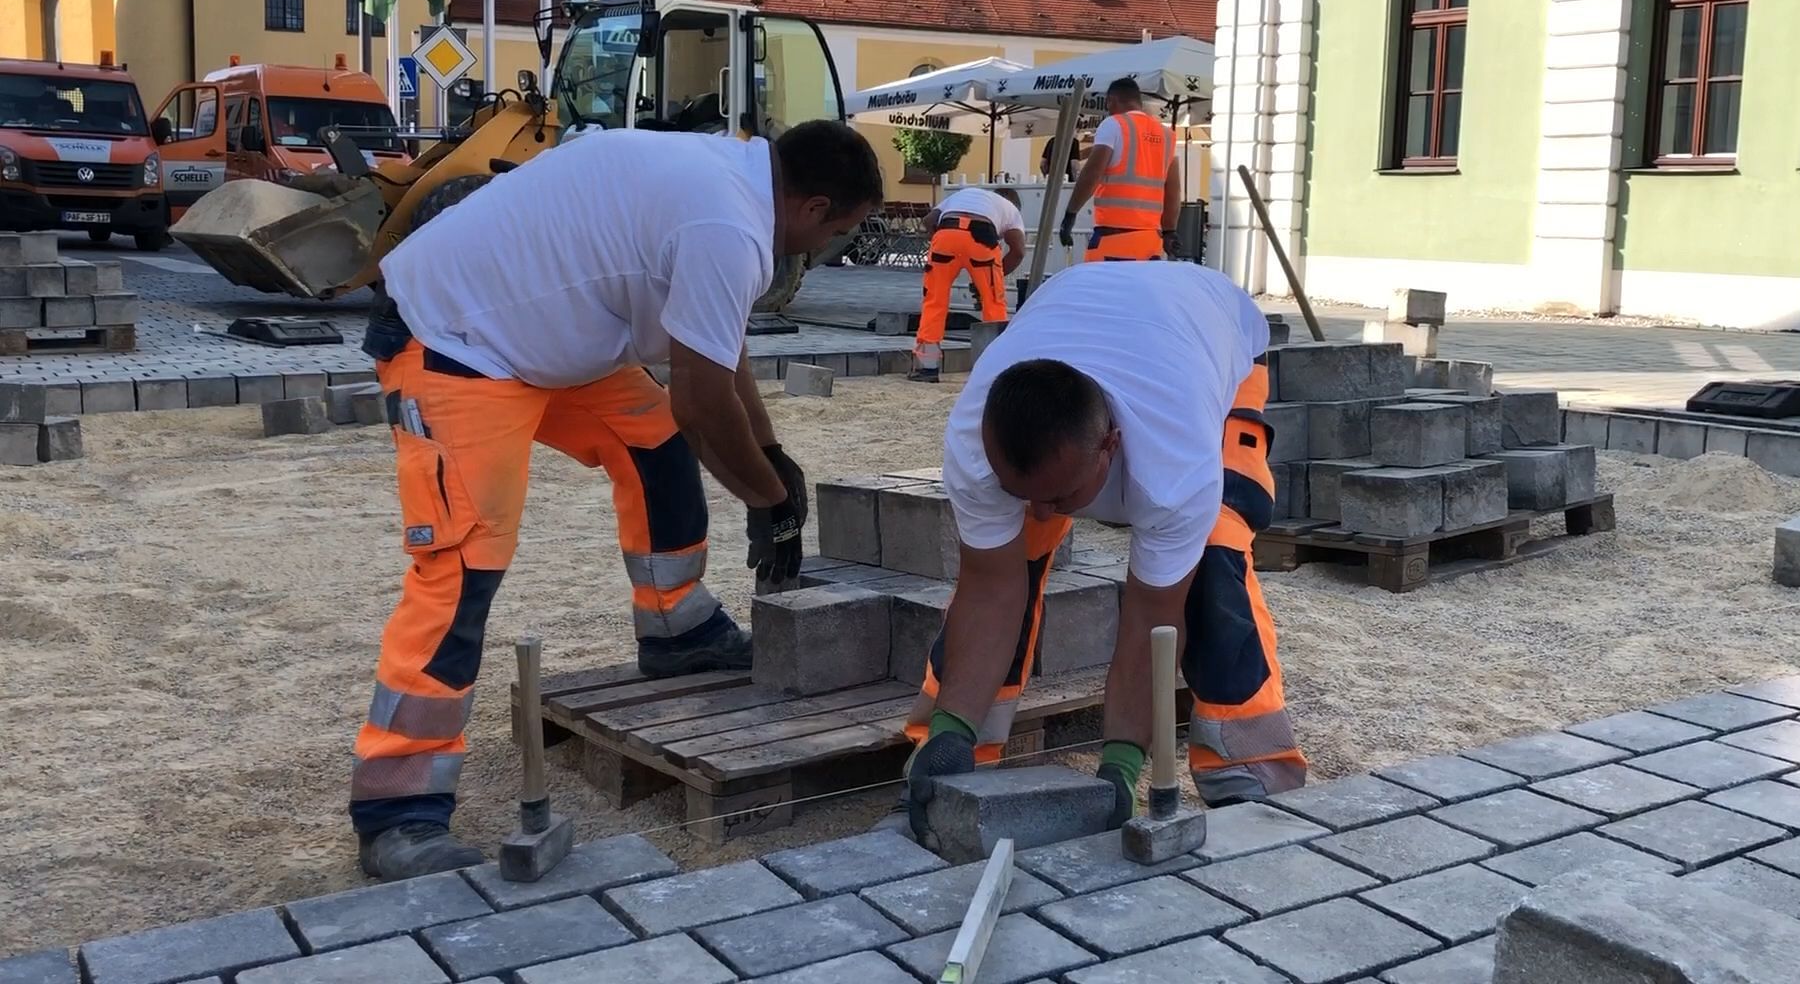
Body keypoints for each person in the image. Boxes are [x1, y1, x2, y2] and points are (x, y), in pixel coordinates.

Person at [348, 121, 884, 880]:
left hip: (534, 336)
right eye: (840, 231)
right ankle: (397, 808)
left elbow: (718, 357)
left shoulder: (724, 179)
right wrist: (768, 502)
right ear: (814, 205)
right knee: (463, 565)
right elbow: (702, 404)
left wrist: (769, 460)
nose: (825, 248)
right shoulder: (727, 223)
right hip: (454, 338)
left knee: (655, 446)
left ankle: (678, 631)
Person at [880, 261, 1308, 844]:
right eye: (1020, 494)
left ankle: (1248, 768)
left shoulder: (1174, 468)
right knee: (1016, 558)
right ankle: (957, 752)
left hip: (1211, 337)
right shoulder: (975, 442)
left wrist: (1122, 766)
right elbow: (990, 590)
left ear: (1111, 445)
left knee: (1214, 556)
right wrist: (949, 733)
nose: (1042, 513)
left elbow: (1151, 626)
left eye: (1059, 497)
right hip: (1088, 304)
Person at [911, 186, 1026, 384]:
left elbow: (928, 221)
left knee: (934, 301)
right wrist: (993, 277)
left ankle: (927, 368)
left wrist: (939, 241)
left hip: (946, 234)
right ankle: (994, 368)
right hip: (982, 238)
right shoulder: (1011, 209)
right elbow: (1018, 251)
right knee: (993, 304)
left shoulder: (964, 194)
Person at [1058, 79, 1181, 262]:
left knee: (1099, 289)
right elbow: (1173, 190)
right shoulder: (1167, 135)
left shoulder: (1113, 125)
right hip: (1150, 242)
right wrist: (1170, 231)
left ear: (1111, 101)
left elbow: (1092, 173)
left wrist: (1070, 214)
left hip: (1113, 238)